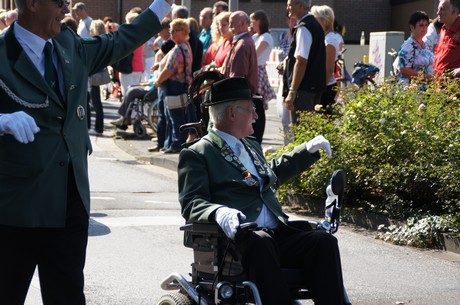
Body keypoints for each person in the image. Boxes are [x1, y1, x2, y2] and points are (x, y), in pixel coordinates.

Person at [0, 0, 172, 304]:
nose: (65, 9)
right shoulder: (3, 52)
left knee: (67, 296)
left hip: (69, 200)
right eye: (59, 2)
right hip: (17, 207)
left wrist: (163, 4)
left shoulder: (68, 44)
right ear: (33, 3)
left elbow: (121, 40)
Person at [178, 76, 347, 305]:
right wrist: (218, 212)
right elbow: (192, 202)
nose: (257, 116)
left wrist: (306, 151)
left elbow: (269, 177)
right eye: (251, 109)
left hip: (275, 235)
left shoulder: (251, 145)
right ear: (231, 113)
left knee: (323, 242)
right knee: (260, 241)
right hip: (234, 243)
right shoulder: (199, 153)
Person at [154, 18, 195, 153]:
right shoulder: (186, 46)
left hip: (175, 86)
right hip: (181, 85)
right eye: (170, 30)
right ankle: (171, 143)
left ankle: (176, 144)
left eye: (174, 30)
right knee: (175, 116)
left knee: (175, 117)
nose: (171, 33)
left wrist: (158, 81)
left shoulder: (179, 49)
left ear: (183, 32)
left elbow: (170, 69)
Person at [283, 0, 326, 125]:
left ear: (301, 6)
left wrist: (292, 91)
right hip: (314, 87)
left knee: (302, 132)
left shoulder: (304, 27)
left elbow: (301, 61)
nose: (288, 8)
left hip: (304, 90)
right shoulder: (315, 25)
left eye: (290, 5)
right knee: (310, 132)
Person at [221, 11, 261, 142]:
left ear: (243, 24)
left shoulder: (242, 45)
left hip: (239, 102)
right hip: (243, 100)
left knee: (240, 141)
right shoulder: (243, 42)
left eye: (232, 23)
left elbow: (236, 79)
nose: (230, 26)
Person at [311, 5, 340, 114]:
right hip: (323, 84)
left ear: (325, 20)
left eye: (316, 18)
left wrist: (321, 89)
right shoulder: (325, 38)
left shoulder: (330, 40)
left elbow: (329, 68)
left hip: (326, 86)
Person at [395, 11, 434, 84]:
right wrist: (425, 77)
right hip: (411, 90)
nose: (424, 28)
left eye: (426, 25)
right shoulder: (408, 46)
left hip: (426, 88)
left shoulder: (425, 45)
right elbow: (403, 69)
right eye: (421, 25)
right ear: (412, 27)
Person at [250, 10, 277, 112]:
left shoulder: (266, 37)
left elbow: (255, 54)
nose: (251, 24)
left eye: (253, 21)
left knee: (258, 100)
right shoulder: (254, 36)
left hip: (258, 70)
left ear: (260, 22)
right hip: (252, 69)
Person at [277, 13, 296, 144]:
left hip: (293, 80)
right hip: (282, 80)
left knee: (291, 119)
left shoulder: (301, 35)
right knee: (283, 118)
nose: (293, 21)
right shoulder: (283, 36)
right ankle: (287, 146)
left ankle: (292, 147)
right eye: (290, 18)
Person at [89, 19, 108, 135]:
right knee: (96, 102)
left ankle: (98, 127)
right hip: (99, 74)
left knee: (94, 102)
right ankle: (98, 127)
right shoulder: (105, 41)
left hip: (93, 74)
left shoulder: (94, 42)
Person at [119, 11, 145, 95]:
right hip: (139, 66)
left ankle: (127, 108)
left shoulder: (127, 35)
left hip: (127, 67)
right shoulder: (142, 34)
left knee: (127, 93)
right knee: (135, 94)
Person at [433, 0, 460, 78]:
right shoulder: (444, 29)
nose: (438, 13)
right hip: (440, 85)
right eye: (438, 9)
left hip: (454, 86)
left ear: (454, 11)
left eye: (442, 9)